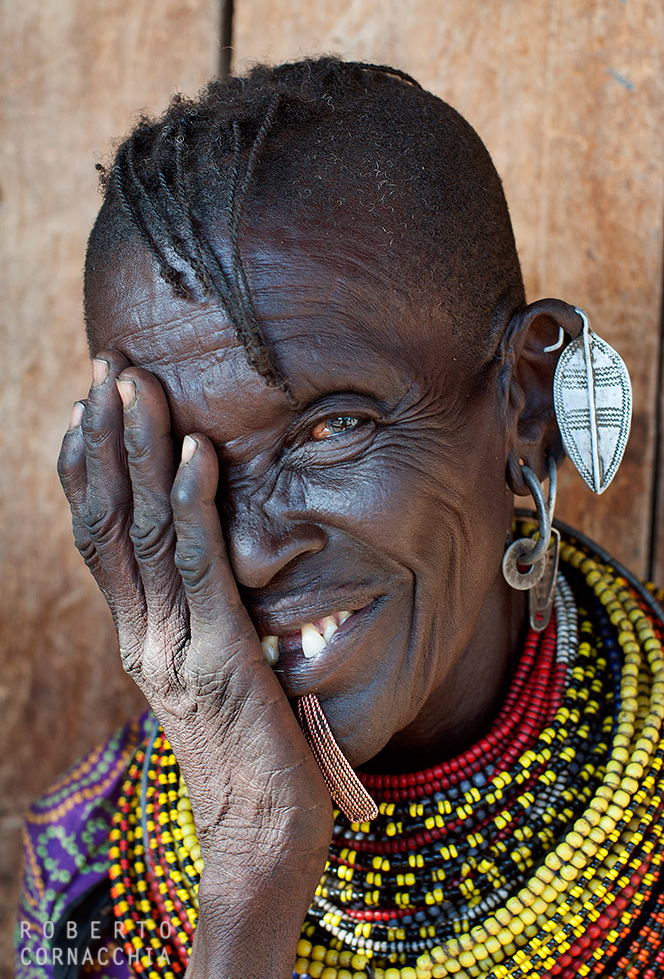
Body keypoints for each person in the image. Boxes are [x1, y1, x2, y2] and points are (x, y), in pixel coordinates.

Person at [16, 57, 664, 979]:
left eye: (331, 427)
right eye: (176, 465)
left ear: (525, 401)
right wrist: (250, 875)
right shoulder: (88, 877)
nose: (241, 550)